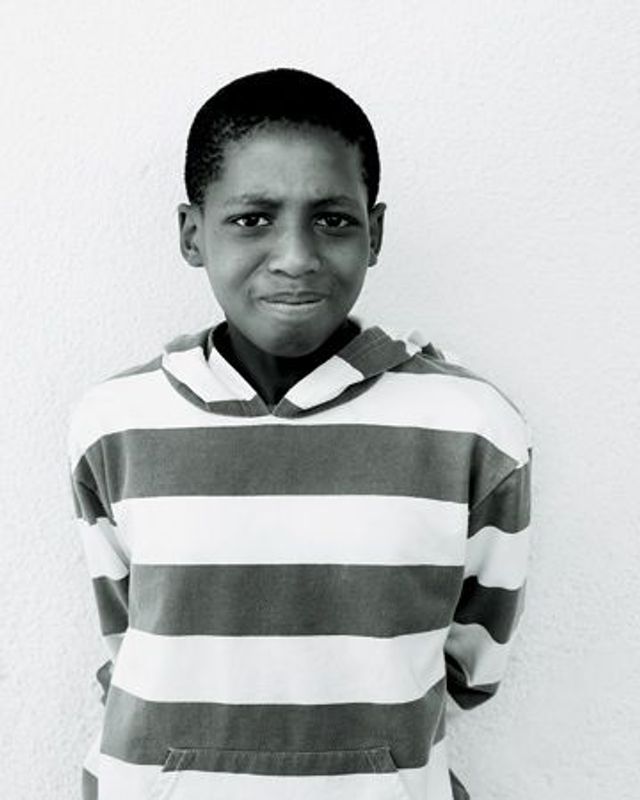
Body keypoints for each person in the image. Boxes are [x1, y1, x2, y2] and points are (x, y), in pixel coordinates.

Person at [67, 67, 532, 800]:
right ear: (192, 234)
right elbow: (131, 638)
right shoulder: (116, 421)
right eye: (253, 219)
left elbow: (472, 664)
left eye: (333, 220)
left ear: (375, 233)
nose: (296, 256)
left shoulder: (472, 429)